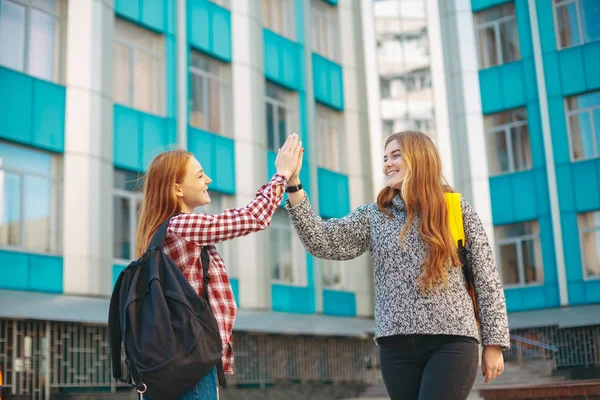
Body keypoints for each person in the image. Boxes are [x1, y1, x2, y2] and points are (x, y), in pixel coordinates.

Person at [285, 131, 510, 400]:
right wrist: (294, 184)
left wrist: (493, 343)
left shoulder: (455, 209)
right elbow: (322, 241)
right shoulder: (375, 215)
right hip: (395, 346)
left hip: (451, 341)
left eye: (395, 155)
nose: (387, 163)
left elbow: (487, 277)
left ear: (420, 159)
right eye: (384, 158)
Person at [135, 134, 302, 399]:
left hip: (167, 367)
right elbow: (253, 217)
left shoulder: (159, 233)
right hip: (190, 364)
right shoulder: (181, 227)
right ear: (177, 189)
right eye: (199, 175)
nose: (208, 180)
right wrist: (282, 173)